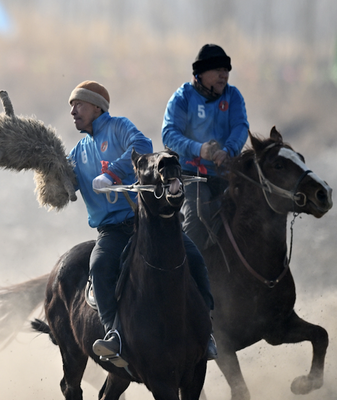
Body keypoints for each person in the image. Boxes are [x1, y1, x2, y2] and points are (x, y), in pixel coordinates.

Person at [68, 80, 217, 364]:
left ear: (97, 107)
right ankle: (115, 334)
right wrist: (42, 166)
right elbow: (63, 179)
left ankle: (206, 329)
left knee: (195, 258)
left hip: (142, 223)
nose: (73, 110)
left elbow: (142, 145)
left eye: (79, 104)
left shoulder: (119, 127)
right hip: (110, 231)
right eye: (72, 106)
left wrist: (112, 174)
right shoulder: (78, 152)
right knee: (99, 267)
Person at [162, 44, 249, 251]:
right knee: (196, 217)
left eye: (226, 70)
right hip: (191, 176)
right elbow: (169, 134)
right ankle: (187, 276)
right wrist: (199, 149)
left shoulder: (233, 96)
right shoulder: (183, 97)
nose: (224, 75)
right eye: (218, 70)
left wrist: (228, 151)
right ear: (200, 73)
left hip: (225, 174)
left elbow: (240, 126)